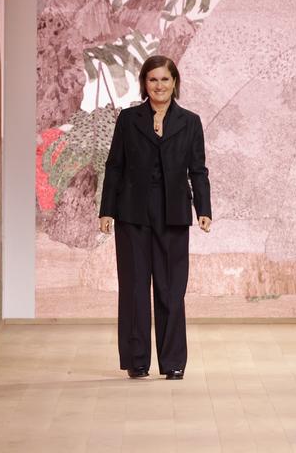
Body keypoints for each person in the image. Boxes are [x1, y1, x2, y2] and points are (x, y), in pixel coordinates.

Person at [98, 55, 212, 381]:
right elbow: (115, 166)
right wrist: (107, 210)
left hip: (174, 215)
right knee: (134, 288)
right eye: (153, 80)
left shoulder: (190, 122)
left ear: (174, 82)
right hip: (132, 214)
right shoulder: (128, 119)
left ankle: (173, 361)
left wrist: (203, 210)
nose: (159, 86)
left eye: (165, 79)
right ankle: (136, 360)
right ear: (144, 84)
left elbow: (198, 170)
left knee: (171, 290)